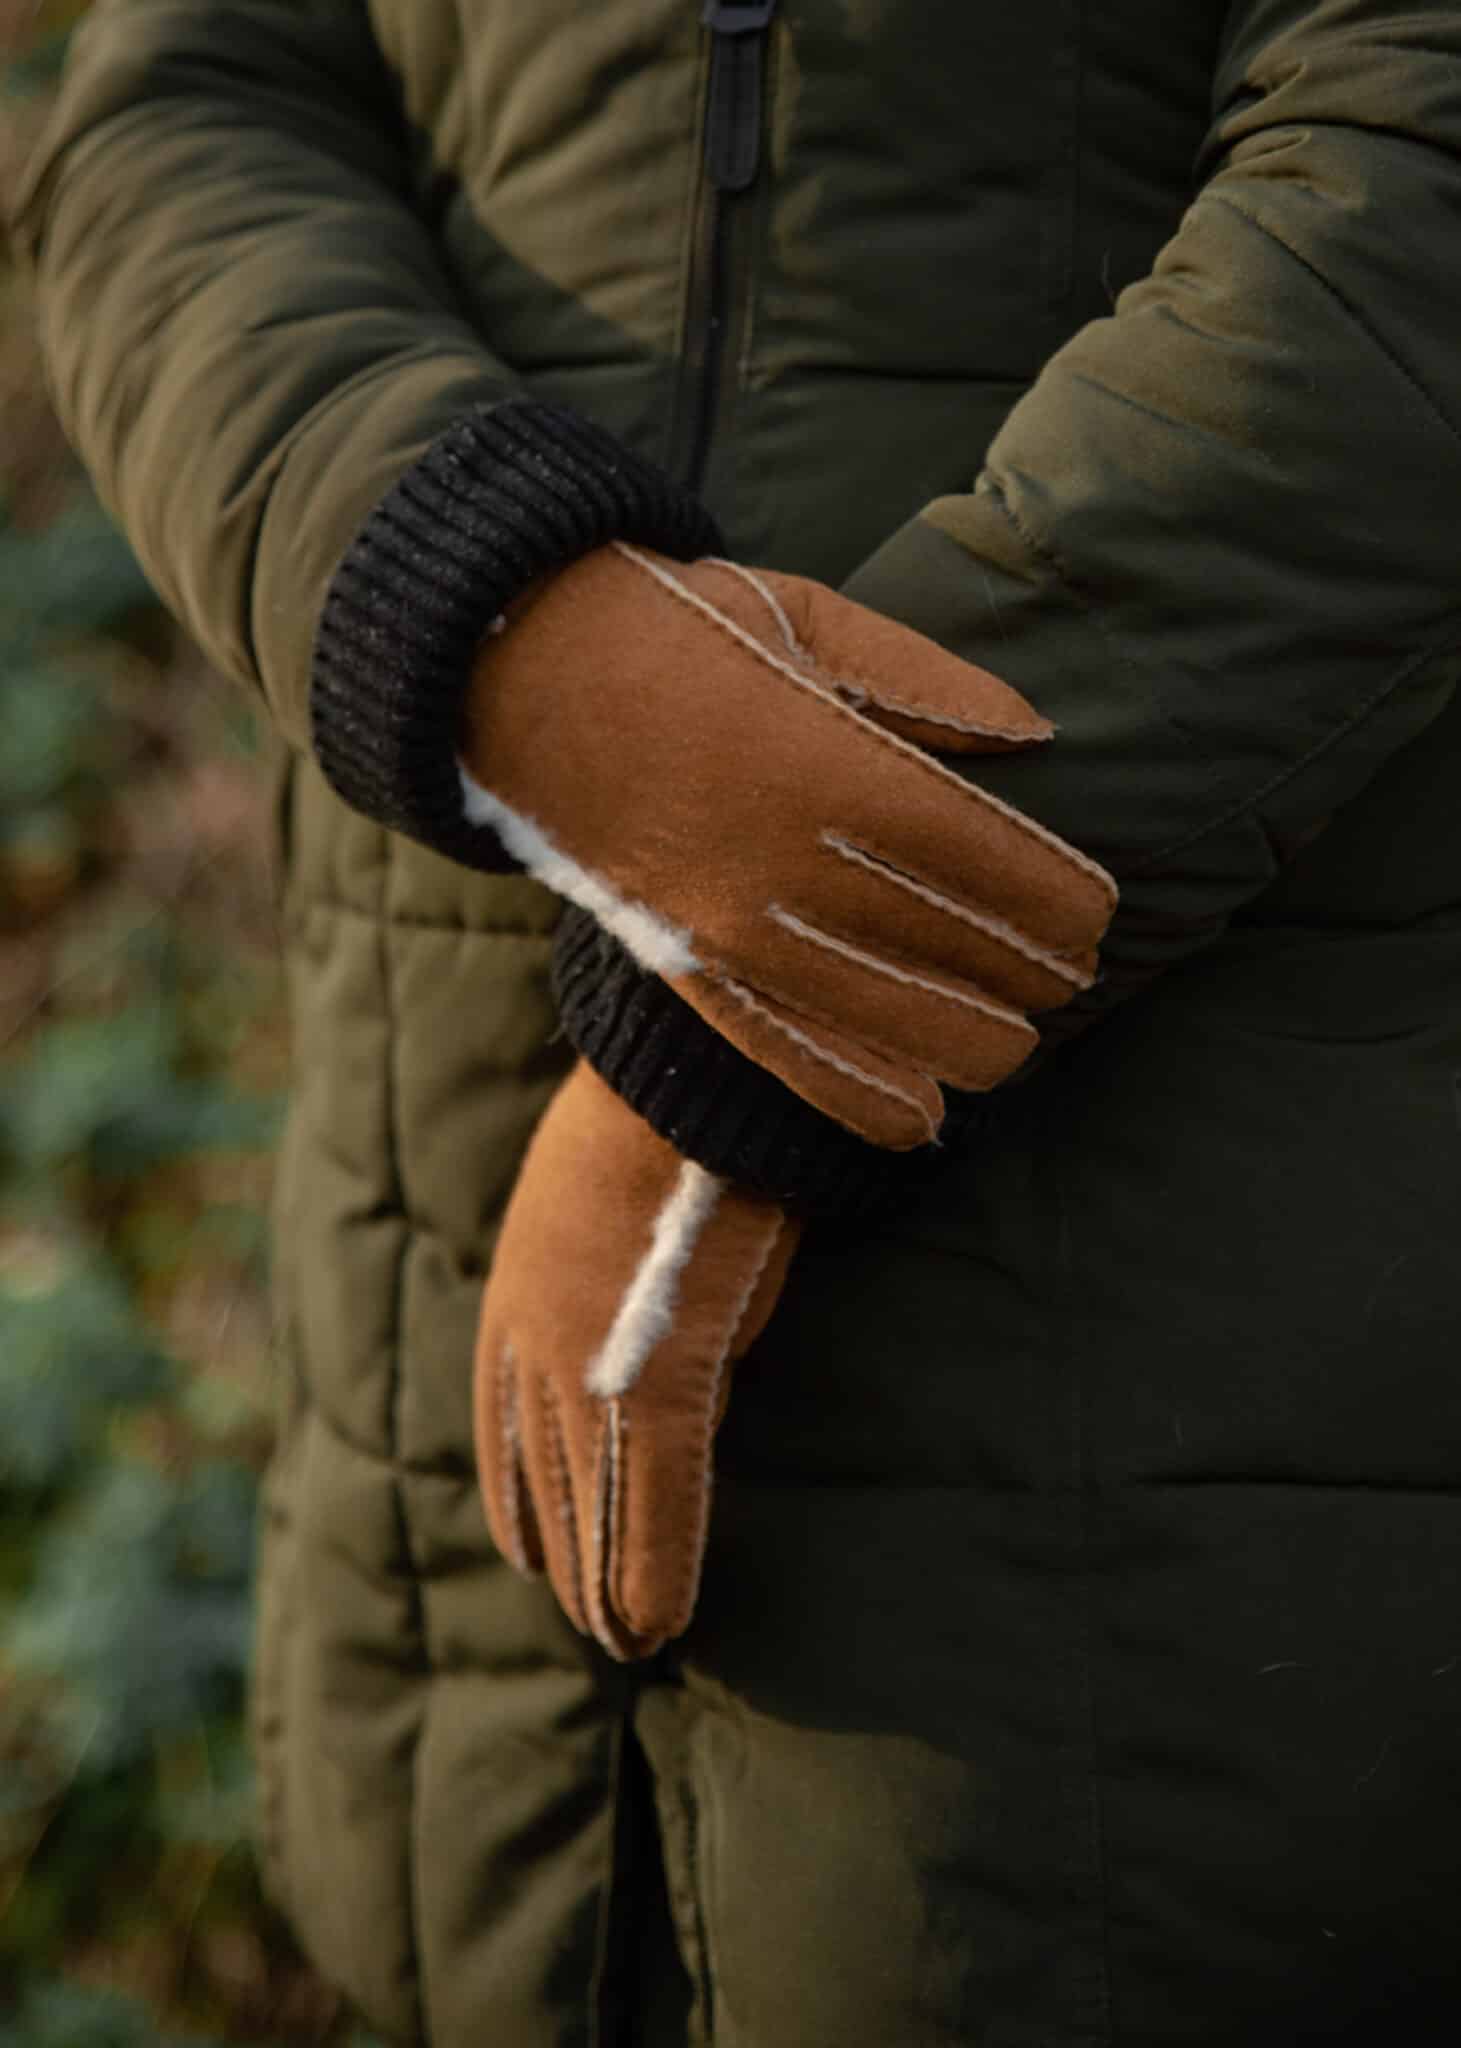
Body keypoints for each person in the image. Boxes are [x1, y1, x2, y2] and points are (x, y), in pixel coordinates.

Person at [12, 1, 1461, 2040]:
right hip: (445, 1280)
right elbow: (182, 97)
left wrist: (741, 1009)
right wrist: (464, 601)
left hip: (1179, 1344)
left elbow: (1415, 155)